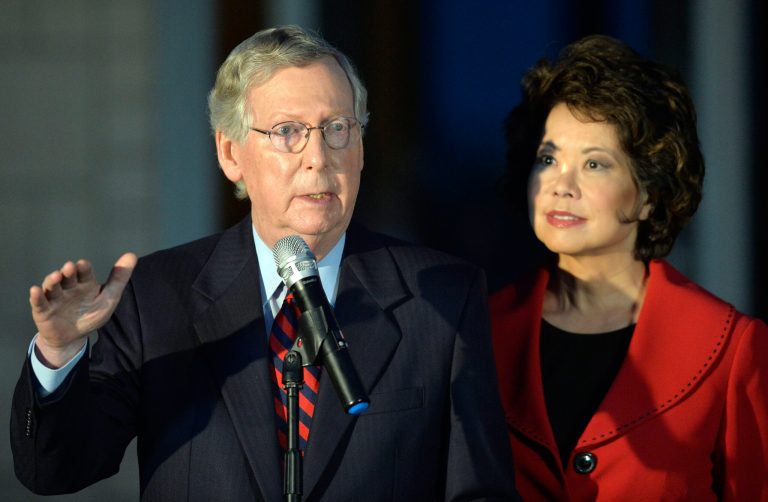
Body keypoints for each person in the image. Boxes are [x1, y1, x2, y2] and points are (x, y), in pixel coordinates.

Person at [11, 25, 518, 501]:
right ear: (231, 153)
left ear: (361, 148)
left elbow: (478, 490)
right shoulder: (159, 296)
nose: (318, 156)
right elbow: (56, 471)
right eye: (287, 131)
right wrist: (60, 351)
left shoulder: (443, 297)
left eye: (338, 128)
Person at [491, 35, 768, 501]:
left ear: (648, 195)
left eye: (595, 164)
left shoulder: (732, 348)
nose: (562, 184)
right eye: (548, 158)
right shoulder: (477, 330)